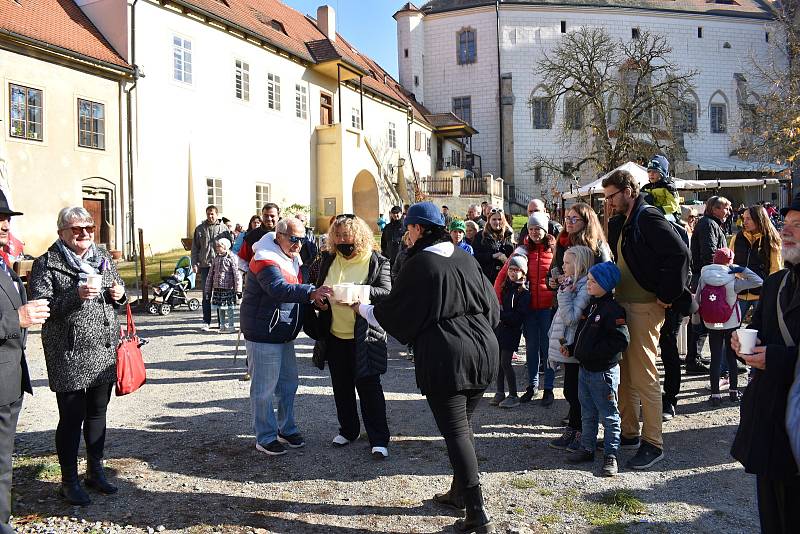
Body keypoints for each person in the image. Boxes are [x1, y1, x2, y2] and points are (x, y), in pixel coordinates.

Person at [351, 202, 499, 533]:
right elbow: (494, 306)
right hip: (485, 348)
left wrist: (361, 309)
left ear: (419, 230)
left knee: (457, 431)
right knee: (463, 426)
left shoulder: (421, 264)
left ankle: (477, 513)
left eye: (409, 228)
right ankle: (460, 493)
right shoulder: (466, 258)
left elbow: (395, 313)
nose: (406, 234)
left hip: (448, 353)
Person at [29, 206, 127, 506]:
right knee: (72, 417)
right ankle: (68, 481)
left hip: (102, 346)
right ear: (62, 233)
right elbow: (41, 308)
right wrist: (76, 295)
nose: (84, 233)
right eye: (77, 229)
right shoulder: (47, 263)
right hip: (68, 351)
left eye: (89, 228)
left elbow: (118, 293)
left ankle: (95, 471)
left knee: (98, 411)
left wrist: (119, 295)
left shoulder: (101, 257)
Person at [603, 169, 690, 470]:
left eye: (612, 196)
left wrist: (666, 296)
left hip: (644, 308)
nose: (609, 202)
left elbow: (680, 255)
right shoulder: (626, 220)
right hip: (625, 305)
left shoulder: (648, 216)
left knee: (643, 376)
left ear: (628, 190)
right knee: (625, 375)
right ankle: (629, 434)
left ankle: (653, 443)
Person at [731, 192, 800, 533]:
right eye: (785, 223)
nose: (787, 231)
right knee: (772, 515)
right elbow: (759, 330)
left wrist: (777, 358)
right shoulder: (776, 282)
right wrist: (743, 342)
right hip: (771, 420)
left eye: (797, 225)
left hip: (796, 420)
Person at [240, 218, 332, 456]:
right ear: (278, 235)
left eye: (302, 239)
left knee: (288, 385)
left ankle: (286, 428)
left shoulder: (291, 257)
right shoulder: (264, 258)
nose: (298, 244)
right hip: (264, 333)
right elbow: (278, 289)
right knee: (264, 389)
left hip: (282, 332)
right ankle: (265, 436)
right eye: (293, 239)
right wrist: (311, 292)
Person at [308, 215, 392, 459]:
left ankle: (378, 439)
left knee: (369, 388)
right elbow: (317, 288)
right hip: (334, 335)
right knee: (341, 387)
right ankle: (349, 430)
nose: (343, 240)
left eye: (347, 235)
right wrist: (320, 302)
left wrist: (357, 293)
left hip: (364, 337)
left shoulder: (377, 261)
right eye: (338, 236)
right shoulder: (328, 259)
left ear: (359, 235)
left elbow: (386, 293)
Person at [0, 193, 49, 532]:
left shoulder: (5, 264)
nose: (5, 224)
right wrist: (14, 318)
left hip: (10, 379)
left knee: (4, 457)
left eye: (6, 218)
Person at [564, 262, 629, 477]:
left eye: (593, 282)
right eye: (589, 281)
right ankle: (587, 447)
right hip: (585, 370)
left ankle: (611, 455)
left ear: (605, 284)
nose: (588, 285)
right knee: (587, 412)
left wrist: (593, 354)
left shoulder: (613, 309)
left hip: (603, 373)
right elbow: (584, 336)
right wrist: (573, 349)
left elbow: (620, 341)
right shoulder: (592, 306)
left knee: (609, 415)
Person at [495, 212, 555, 404]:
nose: (535, 232)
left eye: (538, 228)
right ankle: (532, 386)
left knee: (547, 349)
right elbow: (503, 274)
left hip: (547, 308)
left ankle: (549, 389)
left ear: (545, 230)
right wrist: (497, 300)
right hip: (528, 309)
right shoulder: (522, 250)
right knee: (531, 349)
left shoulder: (554, 250)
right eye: (531, 229)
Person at [694, 247, 762, 405]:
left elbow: (697, 300)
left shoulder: (704, 277)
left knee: (715, 358)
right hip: (730, 323)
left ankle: (716, 395)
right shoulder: (734, 280)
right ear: (730, 263)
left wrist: (697, 321)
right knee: (731, 358)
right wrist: (742, 269)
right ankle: (733, 392)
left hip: (712, 323)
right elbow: (759, 281)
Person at [548, 246, 593, 451]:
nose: (563, 266)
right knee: (569, 389)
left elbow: (572, 317)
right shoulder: (571, 283)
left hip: (576, 345)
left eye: (567, 263)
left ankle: (581, 431)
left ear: (580, 265)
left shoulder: (583, 287)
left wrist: (564, 295)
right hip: (566, 344)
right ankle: (573, 428)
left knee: (576, 392)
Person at [686, 196, 732, 374]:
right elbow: (710, 252)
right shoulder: (708, 225)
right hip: (706, 277)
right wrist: (717, 274)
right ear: (714, 209)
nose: (728, 212)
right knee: (703, 319)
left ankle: (695, 356)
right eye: (725, 208)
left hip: (706, 275)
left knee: (703, 319)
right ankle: (693, 359)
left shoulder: (711, 224)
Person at [730, 205, 783, 320]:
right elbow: (730, 264)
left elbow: (776, 269)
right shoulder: (737, 238)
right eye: (744, 218)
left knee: (762, 330)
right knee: (733, 329)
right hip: (739, 293)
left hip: (761, 294)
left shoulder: (772, 239)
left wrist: (770, 292)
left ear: (759, 219)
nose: (744, 222)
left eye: (748, 218)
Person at [491, 254, 530, 409]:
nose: (513, 273)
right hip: (501, 330)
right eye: (511, 269)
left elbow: (518, 317)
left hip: (512, 331)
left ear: (523, 272)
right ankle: (500, 392)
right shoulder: (505, 287)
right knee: (498, 363)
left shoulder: (524, 293)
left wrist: (500, 315)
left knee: (506, 362)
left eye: (517, 270)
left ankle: (513, 394)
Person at [548, 202, 611, 287]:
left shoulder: (597, 246)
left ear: (586, 223)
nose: (569, 222)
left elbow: (606, 277)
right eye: (568, 218)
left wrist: (572, 279)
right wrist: (552, 282)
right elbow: (552, 272)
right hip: (565, 297)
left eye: (574, 219)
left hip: (589, 297)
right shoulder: (561, 243)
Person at [191, 205, 227, 331]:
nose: (210, 216)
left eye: (212, 214)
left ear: (216, 214)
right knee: (207, 294)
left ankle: (221, 322)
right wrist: (194, 263)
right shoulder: (200, 229)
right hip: (205, 266)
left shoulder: (223, 229)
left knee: (219, 294)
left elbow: (229, 246)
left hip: (220, 266)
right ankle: (206, 321)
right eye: (208, 214)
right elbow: (195, 248)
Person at [206, 237, 243, 333]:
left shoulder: (231, 258)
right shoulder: (216, 258)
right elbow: (210, 274)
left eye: (219, 246)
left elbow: (236, 274)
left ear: (225, 247)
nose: (217, 248)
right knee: (220, 308)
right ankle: (222, 325)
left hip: (228, 288)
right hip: (218, 287)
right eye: (217, 246)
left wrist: (238, 289)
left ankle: (231, 326)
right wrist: (207, 290)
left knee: (229, 308)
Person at [472, 209, 514, 283]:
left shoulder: (508, 236)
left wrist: (506, 260)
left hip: (505, 278)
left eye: (499, 219)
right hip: (486, 278)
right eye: (494, 219)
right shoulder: (481, 236)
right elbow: (475, 256)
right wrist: (492, 256)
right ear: (489, 220)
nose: (497, 222)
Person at [238, 202, 281, 270]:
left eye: (272, 216)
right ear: (262, 216)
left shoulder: (285, 234)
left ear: (278, 216)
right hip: (257, 276)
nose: (269, 219)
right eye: (266, 216)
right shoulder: (252, 235)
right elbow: (242, 259)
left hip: (283, 276)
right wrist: (248, 273)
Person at [641, 155, 681, 223]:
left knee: (655, 221)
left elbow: (673, 206)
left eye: (655, 171)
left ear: (662, 173)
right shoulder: (645, 188)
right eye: (649, 171)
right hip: (652, 214)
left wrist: (656, 210)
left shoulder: (669, 187)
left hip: (669, 215)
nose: (651, 174)